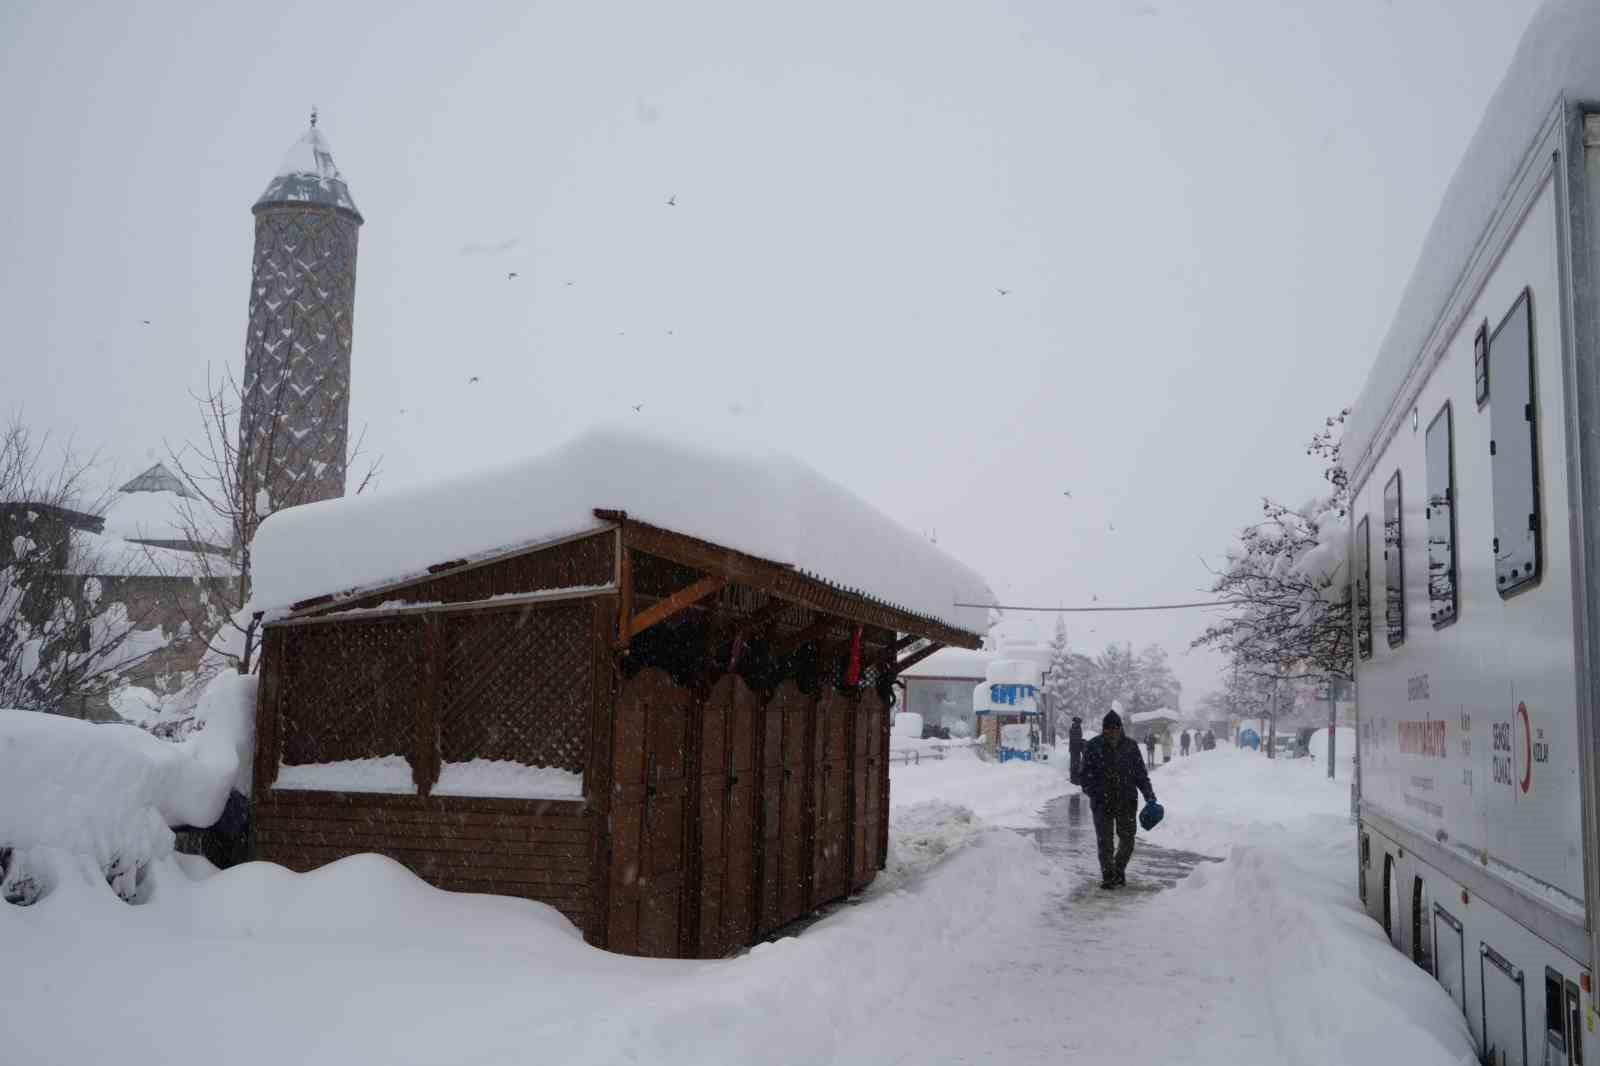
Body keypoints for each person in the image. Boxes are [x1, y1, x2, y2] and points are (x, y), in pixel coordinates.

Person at [1079, 708, 1157, 889]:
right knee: (1105, 842)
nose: (1112, 733)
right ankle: (1108, 876)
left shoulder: (1130, 746)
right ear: (1104, 729)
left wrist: (1149, 796)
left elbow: (1141, 774)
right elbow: (1083, 776)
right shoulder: (1093, 746)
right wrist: (1095, 792)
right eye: (1109, 729)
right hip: (1102, 803)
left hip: (1126, 801)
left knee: (1128, 840)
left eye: (1116, 729)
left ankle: (1118, 869)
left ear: (1120, 729)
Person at [1068, 717, 1085, 785]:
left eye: (1079, 723)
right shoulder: (1074, 729)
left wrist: (1081, 742)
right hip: (1074, 749)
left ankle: (1076, 779)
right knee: (1074, 764)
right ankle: (1074, 780)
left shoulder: (1078, 728)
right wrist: (1081, 742)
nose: (1079, 724)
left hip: (1077, 749)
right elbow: (1075, 739)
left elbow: (1078, 739)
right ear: (1075, 722)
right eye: (1078, 722)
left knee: (1077, 764)